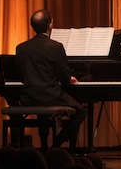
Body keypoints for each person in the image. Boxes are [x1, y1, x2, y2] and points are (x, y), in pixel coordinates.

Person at [15, 9, 86, 148]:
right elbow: (65, 79)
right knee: (81, 111)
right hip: (50, 96)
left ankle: (40, 147)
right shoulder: (56, 47)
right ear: (50, 25)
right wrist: (69, 78)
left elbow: (21, 75)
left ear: (32, 26)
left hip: (28, 98)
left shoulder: (21, 48)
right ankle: (57, 144)